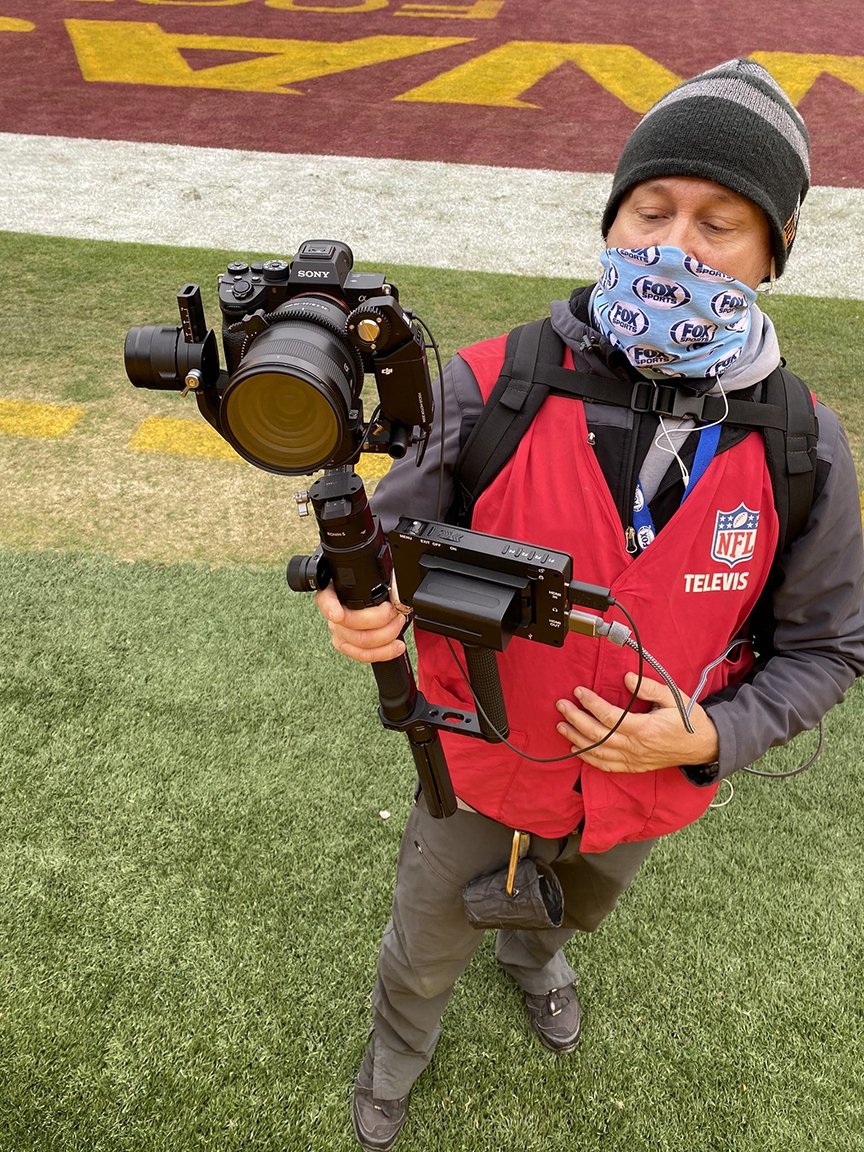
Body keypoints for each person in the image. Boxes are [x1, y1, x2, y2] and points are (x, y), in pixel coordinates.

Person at [316, 59, 864, 1151]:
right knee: (426, 943)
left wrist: (713, 732)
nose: (677, 246)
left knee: (572, 909)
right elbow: (378, 550)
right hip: (472, 762)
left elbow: (831, 644)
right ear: (610, 225)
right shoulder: (485, 384)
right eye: (651, 210)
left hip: (644, 793)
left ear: (776, 251)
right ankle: (394, 1058)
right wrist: (354, 602)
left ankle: (537, 961)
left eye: (721, 222)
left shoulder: (808, 442)